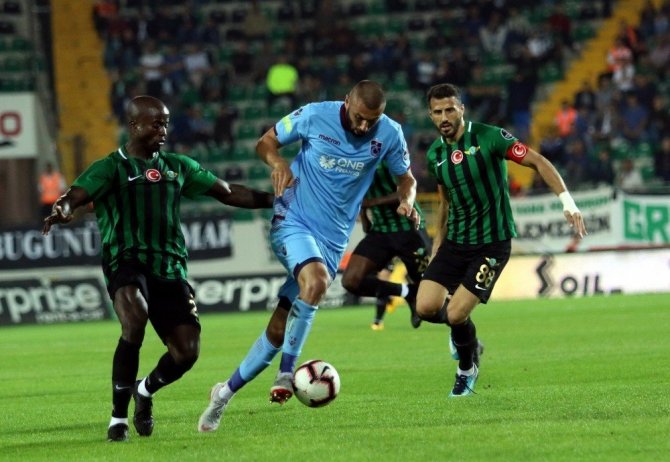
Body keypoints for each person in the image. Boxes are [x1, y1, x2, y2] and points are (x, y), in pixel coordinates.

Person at [42, 96, 274, 442]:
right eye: (156, 124)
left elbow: (227, 192)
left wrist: (277, 200)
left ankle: (145, 390)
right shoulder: (110, 168)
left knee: (186, 352)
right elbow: (73, 197)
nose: (163, 130)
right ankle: (117, 418)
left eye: (165, 123)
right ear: (134, 126)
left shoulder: (178, 166)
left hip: (169, 266)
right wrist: (62, 208)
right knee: (134, 319)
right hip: (125, 261)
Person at [198, 80, 419, 432]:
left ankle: (223, 394)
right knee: (316, 282)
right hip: (293, 219)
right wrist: (277, 162)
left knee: (277, 330)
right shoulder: (315, 115)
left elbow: (406, 178)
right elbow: (265, 141)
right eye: (359, 117)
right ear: (346, 102)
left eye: (372, 121)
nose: (364, 126)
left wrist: (406, 200)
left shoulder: (390, 133)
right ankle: (287, 373)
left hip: (332, 240)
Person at [416, 83, 587, 398]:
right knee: (425, 307)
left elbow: (538, 161)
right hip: (455, 242)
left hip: (491, 244)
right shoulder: (435, 154)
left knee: (455, 314)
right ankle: (466, 337)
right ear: (430, 115)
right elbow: (445, 203)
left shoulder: (490, 137)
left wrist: (567, 201)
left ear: (461, 109)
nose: (444, 117)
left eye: (450, 109)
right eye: (438, 112)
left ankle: (467, 367)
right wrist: (438, 243)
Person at [341, 160, 431, 330]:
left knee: (428, 292)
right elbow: (361, 196)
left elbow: (406, 190)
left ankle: (462, 330)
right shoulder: (352, 162)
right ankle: (407, 293)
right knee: (351, 281)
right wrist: (364, 214)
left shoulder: (389, 157)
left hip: (409, 228)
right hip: (380, 231)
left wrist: (370, 204)